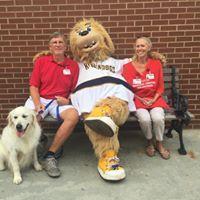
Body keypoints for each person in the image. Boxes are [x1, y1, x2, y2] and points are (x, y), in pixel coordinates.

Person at [25, 32, 79, 178]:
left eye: (60, 42)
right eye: (54, 42)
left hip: (59, 101)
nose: (57, 45)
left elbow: (76, 90)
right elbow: (33, 86)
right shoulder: (41, 62)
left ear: (65, 46)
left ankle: (50, 155)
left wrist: (68, 101)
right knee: (28, 119)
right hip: (40, 99)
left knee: (73, 116)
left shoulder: (73, 65)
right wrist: (37, 104)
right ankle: (41, 139)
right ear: (50, 47)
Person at [122, 36, 170, 159]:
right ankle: (149, 141)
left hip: (155, 99)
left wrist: (154, 99)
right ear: (134, 48)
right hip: (137, 100)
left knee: (158, 118)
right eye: (137, 46)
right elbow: (127, 88)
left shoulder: (156, 64)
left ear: (148, 47)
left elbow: (160, 86)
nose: (140, 48)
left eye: (142, 46)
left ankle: (159, 143)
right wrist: (139, 98)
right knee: (145, 119)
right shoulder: (127, 67)